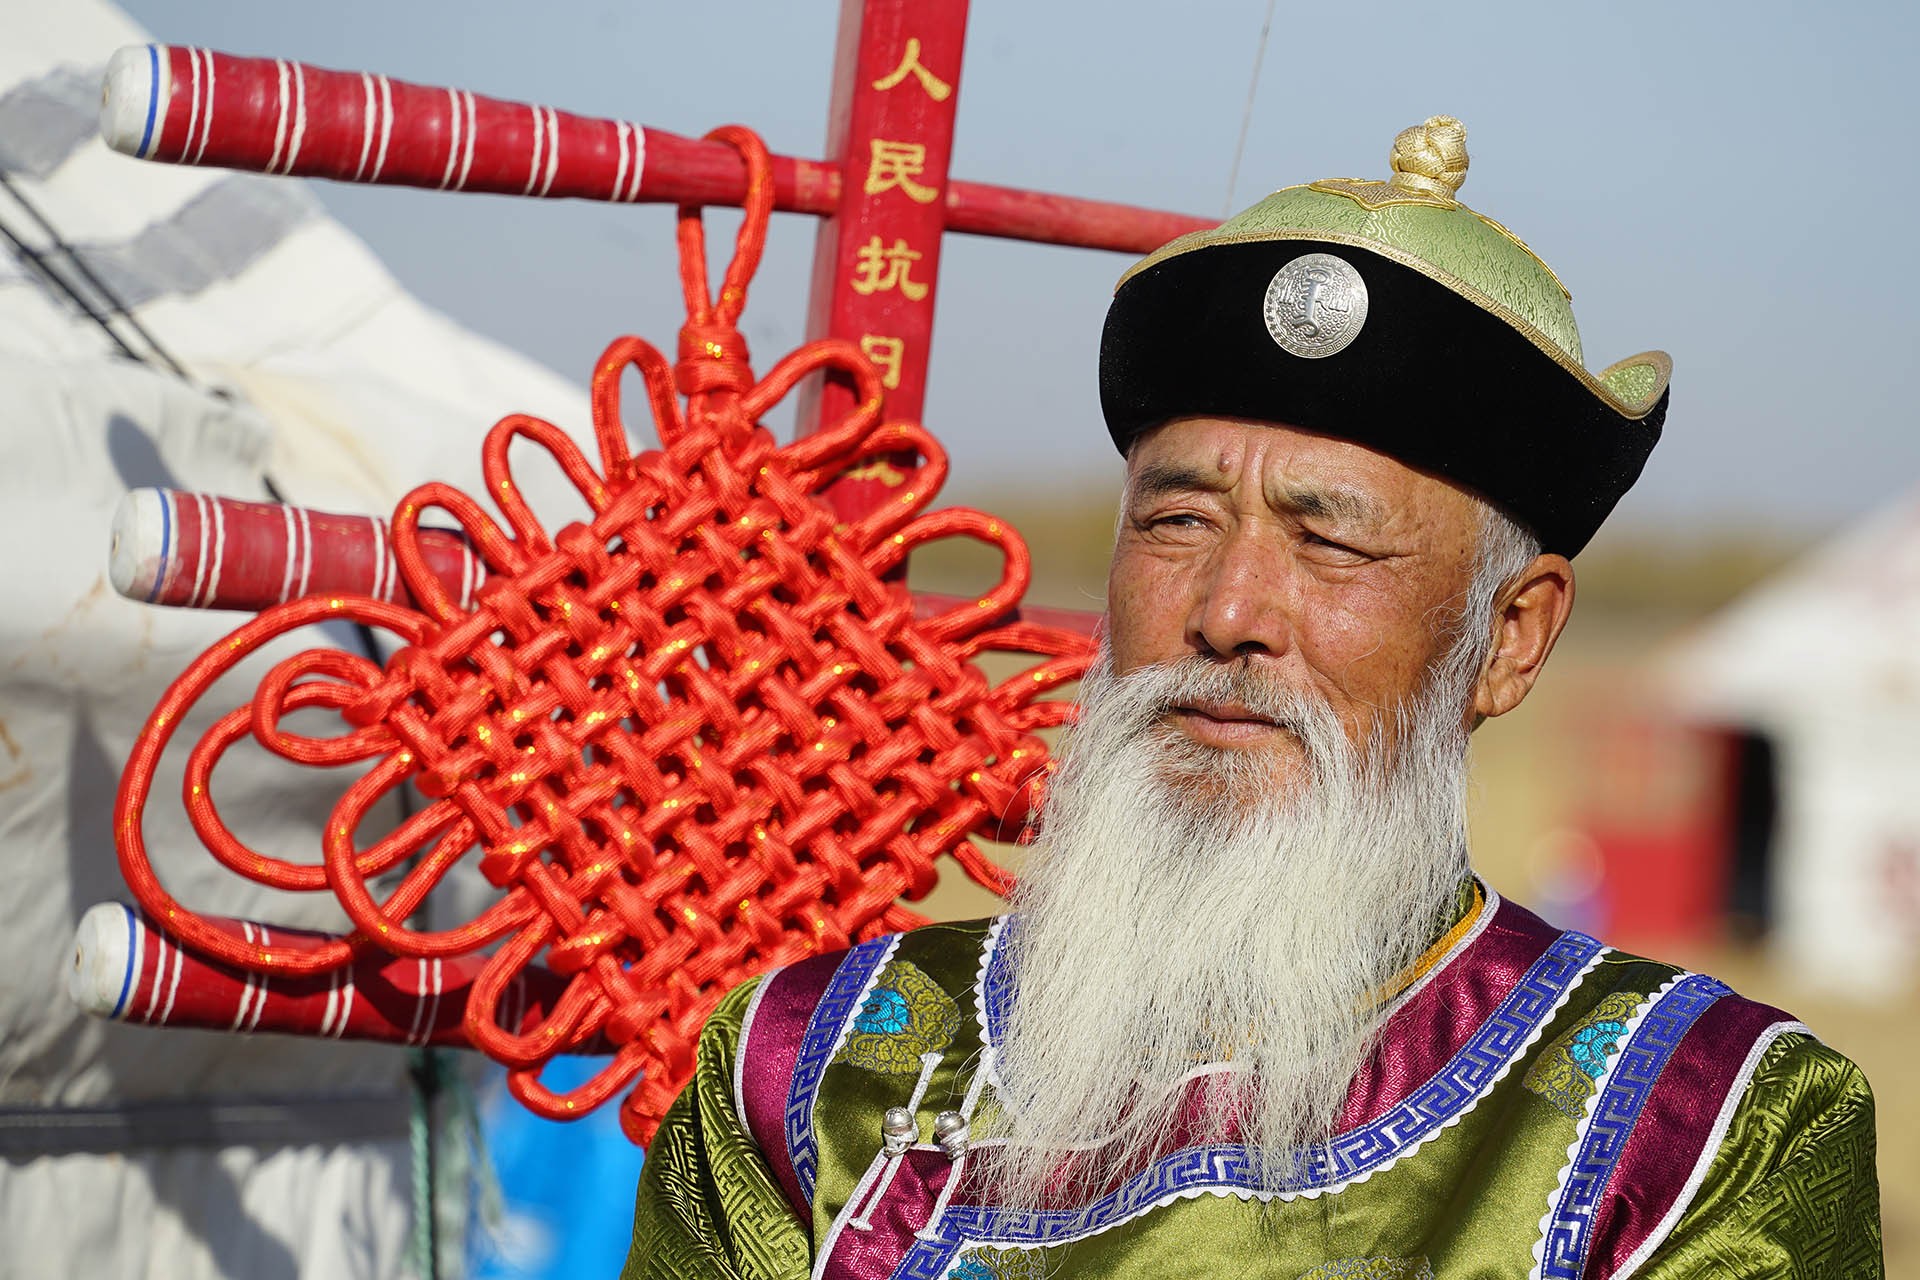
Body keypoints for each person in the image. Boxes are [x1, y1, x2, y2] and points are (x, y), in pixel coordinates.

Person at [621, 117, 1882, 1279]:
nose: (1227, 612)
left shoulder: (1702, 1133)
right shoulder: (810, 1071)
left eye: (1329, 543)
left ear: (1509, 636)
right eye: (1177, 519)